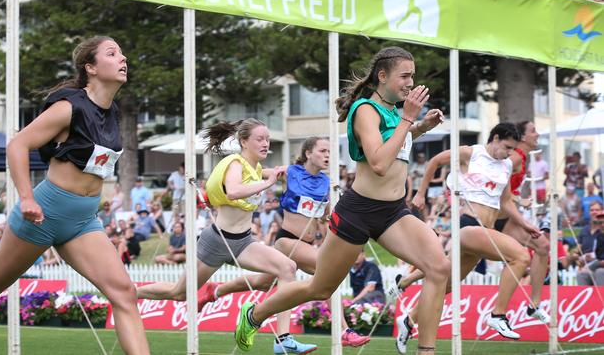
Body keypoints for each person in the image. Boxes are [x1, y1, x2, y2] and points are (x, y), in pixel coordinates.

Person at [233, 47, 449, 355]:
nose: (410, 82)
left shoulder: (393, 112)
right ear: (383, 76)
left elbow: (396, 140)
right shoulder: (365, 110)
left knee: (438, 268)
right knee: (320, 287)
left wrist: (420, 126)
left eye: (412, 76)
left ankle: (426, 351)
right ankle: (254, 314)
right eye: (405, 75)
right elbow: (378, 162)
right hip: (358, 212)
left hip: (393, 212)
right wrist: (408, 119)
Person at [0, 36, 149, 354]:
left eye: (122, 52)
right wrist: (27, 198)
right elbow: (18, 145)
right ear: (91, 68)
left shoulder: (112, 112)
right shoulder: (68, 107)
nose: (123, 58)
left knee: (125, 293)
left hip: (83, 220)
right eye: (112, 53)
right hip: (44, 213)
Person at [135, 119, 316, 353]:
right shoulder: (235, 163)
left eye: (267, 139)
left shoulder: (258, 169)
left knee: (288, 268)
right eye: (259, 139)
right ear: (243, 141)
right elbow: (233, 191)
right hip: (217, 241)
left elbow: (285, 173)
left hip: (243, 242)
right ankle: (132, 292)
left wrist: (310, 169)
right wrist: (268, 183)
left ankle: (283, 341)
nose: (265, 143)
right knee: (179, 293)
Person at [201, 137, 371, 348]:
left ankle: (215, 291)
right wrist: (216, 188)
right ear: (308, 153)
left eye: (330, 151)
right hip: (287, 240)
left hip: (307, 243)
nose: (328, 155)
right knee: (326, 271)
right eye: (323, 151)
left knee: (263, 283)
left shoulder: (327, 182)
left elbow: (323, 215)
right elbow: (253, 173)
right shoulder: (290, 171)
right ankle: (343, 331)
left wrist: (327, 224)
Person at [397, 123, 539, 351]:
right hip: (469, 226)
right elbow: (435, 161)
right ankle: (498, 314)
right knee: (521, 257)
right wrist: (421, 193)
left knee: (446, 285)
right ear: (494, 138)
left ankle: (408, 319)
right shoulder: (470, 153)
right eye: (506, 147)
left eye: (512, 149)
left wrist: (525, 223)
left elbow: (506, 203)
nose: (508, 153)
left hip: (487, 231)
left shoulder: (506, 165)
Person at [491, 121, 550, 323]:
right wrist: (520, 206)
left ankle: (534, 305)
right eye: (534, 131)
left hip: (506, 219)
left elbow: (505, 192)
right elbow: (498, 190)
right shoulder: (514, 159)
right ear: (523, 137)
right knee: (455, 266)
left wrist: (518, 199)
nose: (538, 134)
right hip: (490, 219)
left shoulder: (522, 159)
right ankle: (407, 281)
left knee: (542, 247)